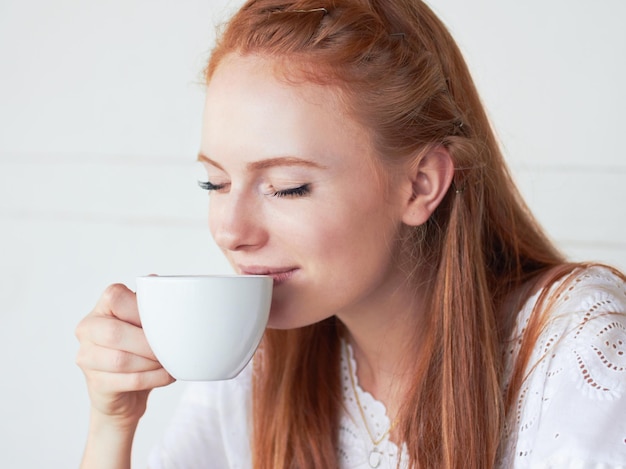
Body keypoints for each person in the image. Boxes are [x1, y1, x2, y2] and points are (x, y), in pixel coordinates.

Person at [75, 1, 626, 468]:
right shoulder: (257, 356)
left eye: (287, 187)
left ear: (419, 185)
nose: (229, 230)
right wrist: (112, 422)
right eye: (214, 182)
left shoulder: (581, 353)